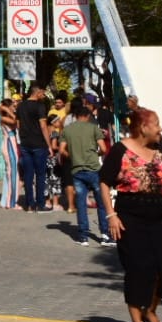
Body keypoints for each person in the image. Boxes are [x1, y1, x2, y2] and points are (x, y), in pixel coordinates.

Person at [100, 107, 162, 322]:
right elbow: (104, 182)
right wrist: (111, 215)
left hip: (158, 217)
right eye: (156, 124)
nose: (160, 128)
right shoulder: (120, 150)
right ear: (143, 127)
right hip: (130, 216)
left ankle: (150, 311)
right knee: (138, 270)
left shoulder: (158, 151)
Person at [62, 98, 109, 245]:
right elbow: (104, 148)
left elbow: (61, 149)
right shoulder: (93, 128)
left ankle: (83, 237)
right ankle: (105, 235)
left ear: (75, 116)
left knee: (81, 203)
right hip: (94, 168)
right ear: (88, 116)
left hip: (77, 169)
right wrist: (98, 155)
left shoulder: (67, 130)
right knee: (101, 203)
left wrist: (72, 156)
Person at [16, 83, 54, 212]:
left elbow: (18, 124)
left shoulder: (21, 106)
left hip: (25, 144)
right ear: (37, 92)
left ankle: (29, 203)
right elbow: (43, 126)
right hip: (39, 144)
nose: (43, 96)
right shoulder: (40, 106)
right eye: (42, 93)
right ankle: (40, 203)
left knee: (28, 174)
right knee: (40, 175)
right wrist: (49, 145)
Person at [0, 98, 22, 209]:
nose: (14, 107)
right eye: (12, 105)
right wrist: (7, 111)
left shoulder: (7, 116)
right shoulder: (4, 118)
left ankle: (7, 200)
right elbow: (15, 122)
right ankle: (11, 202)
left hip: (12, 143)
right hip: (9, 144)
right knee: (12, 172)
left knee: (11, 172)